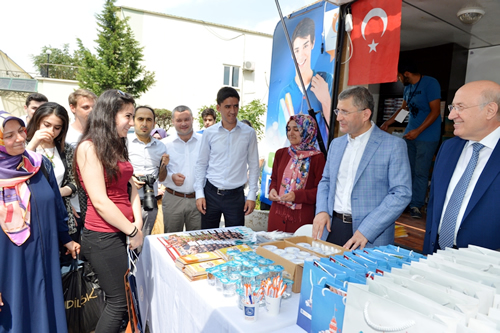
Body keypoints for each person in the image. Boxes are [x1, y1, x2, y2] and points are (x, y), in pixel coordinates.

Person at [0, 111, 80, 332]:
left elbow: (56, 206)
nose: (19, 138)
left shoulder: (39, 164)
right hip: (8, 263)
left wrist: (66, 239)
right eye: (9, 135)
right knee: (15, 315)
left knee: (45, 308)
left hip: (44, 256)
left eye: (21, 131)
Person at [75, 90, 143, 333]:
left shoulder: (114, 145)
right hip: (103, 236)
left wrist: (138, 225)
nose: (132, 123)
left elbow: (131, 188)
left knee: (121, 301)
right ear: (110, 114)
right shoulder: (89, 148)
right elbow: (100, 201)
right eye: (128, 116)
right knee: (118, 303)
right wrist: (132, 229)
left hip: (122, 232)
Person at [312, 86, 411, 250]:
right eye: (338, 111)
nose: (339, 118)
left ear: (366, 114)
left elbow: (401, 193)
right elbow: (326, 181)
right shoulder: (336, 144)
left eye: (345, 112)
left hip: (370, 235)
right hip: (332, 228)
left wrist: (366, 230)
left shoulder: (393, 146)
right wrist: (321, 210)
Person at [423, 80, 500, 254]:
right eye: (452, 108)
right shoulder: (448, 148)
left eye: (460, 107)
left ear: (490, 110)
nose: (451, 116)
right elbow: (434, 205)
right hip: (436, 256)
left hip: (486, 268)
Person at [381, 60, 441, 219]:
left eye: (399, 76)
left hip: (427, 137)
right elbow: (404, 110)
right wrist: (388, 122)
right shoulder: (408, 88)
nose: (399, 79)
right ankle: (405, 202)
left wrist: (418, 131)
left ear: (406, 74)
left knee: (420, 172)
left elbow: (435, 112)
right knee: (406, 171)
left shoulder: (430, 83)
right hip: (410, 136)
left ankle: (416, 205)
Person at [194, 87, 259, 229]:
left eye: (236, 106)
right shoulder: (209, 133)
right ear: (218, 107)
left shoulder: (248, 133)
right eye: (228, 106)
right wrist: (199, 193)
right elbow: (201, 164)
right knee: (208, 239)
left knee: (235, 242)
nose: (232, 111)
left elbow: (254, 166)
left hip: (235, 197)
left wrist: (252, 195)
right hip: (210, 194)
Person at [25, 102, 80, 260]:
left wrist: (59, 192)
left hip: (59, 216)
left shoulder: (66, 149)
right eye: (46, 125)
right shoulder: (22, 146)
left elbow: (74, 181)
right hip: (28, 216)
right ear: (37, 121)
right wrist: (33, 144)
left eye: (57, 127)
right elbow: (18, 173)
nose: (51, 131)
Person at [268, 114, 326, 233]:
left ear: (308, 131)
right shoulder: (281, 154)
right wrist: (272, 189)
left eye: (296, 129)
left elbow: (321, 191)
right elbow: (274, 179)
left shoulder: (318, 158)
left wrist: (297, 196)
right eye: (288, 129)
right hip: (277, 215)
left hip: (301, 220)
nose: (291, 133)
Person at [278, 17, 333, 141]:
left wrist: (326, 101)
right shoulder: (285, 94)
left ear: (313, 43)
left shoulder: (325, 81)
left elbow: (335, 132)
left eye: (305, 46)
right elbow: (283, 139)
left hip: (320, 157)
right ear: (292, 54)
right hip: (296, 158)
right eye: (296, 50)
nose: (301, 55)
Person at [128, 105, 169, 237]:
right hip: (128, 201)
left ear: (154, 123)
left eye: (148, 120)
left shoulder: (161, 146)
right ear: (133, 120)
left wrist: (163, 166)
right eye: (140, 119)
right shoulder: (123, 143)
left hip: (150, 202)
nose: (144, 123)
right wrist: (130, 179)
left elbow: (162, 178)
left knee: (144, 241)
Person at [162, 105, 202, 232]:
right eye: (179, 120)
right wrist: (170, 177)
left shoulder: (204, 142)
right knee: (171, 240)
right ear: (173, 121)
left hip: (198, 200)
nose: (183, 123)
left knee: (199, 241)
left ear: (192, 119)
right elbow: (157, 172)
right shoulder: (164, 144)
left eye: (187, 119)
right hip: (173, 199)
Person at [66, 89, 97, 231]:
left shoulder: (101, 135)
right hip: (72, 205)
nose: (91, 111)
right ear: (72, 108)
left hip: (96, 205)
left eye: (93, 107)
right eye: (85, 107)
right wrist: (65, 203)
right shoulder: (64, 135)